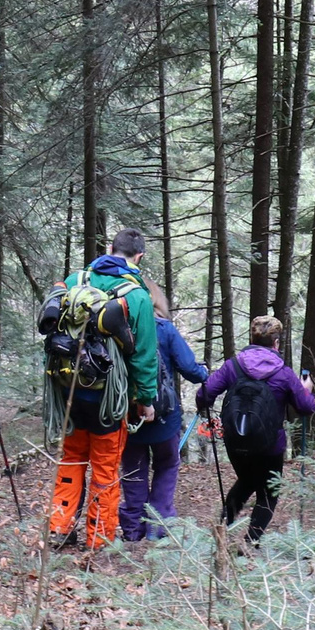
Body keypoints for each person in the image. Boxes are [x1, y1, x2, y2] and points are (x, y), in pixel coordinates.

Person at [46, 227, 160, 550]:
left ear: (110, 248)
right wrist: (145, 400)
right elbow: (144, 356)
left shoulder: (75, 281)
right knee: (105, 470)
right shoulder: (137, 295)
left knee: (71, 462)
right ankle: (98, 541)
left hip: (69, 392)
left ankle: (59, 527)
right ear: (139, 257)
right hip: (108, 401)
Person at [194, 315, 315, 544]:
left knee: (248, 480)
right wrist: (306, 389)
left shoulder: (233, 366)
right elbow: (306, 407)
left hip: (235, 440)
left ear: (252, 338)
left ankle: (221, 531)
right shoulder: (284, 373)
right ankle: (250, 543)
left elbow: (204, 395)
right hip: (270, 445)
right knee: (269, 492)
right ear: (276, 343)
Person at [121, 279, 207, 542]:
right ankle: (158, 528)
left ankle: (133, 529)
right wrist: (205, 372)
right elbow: (191, 370)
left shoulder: (119, 330)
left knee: (134, 470)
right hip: (164, 417)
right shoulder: (165, 329)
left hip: (130, 414)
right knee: (167, 465)